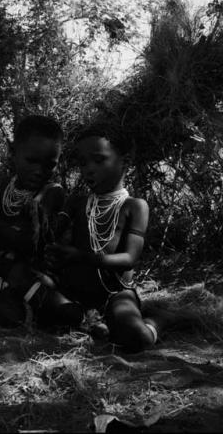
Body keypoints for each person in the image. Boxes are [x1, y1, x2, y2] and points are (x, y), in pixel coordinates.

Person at [44, 122, 163, 353]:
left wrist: (80, 256)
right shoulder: (77, 202)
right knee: (39, 299)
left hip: (115, 292)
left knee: (136, 337)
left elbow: (129, 259)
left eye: (98, 160)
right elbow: (53, 235)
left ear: (124, 162)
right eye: (83, 163)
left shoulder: (135, 207)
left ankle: (160, 320)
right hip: (74, 290)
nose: (88, 169)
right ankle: (92, 323)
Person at [0, 115, 84, 329]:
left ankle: (62, 312)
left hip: (36, 270)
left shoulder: (51, 193)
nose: (40, 171)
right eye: (32, 161)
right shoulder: (4, 189)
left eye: (50, 165)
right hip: (3, 267)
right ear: (13, 153)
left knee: (19, 280)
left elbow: (26, 244)